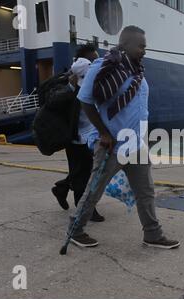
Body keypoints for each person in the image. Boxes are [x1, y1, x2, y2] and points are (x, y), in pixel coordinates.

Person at [66, 26, 180, 250]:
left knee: (145, 191)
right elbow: (85, 100)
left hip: (136, 145)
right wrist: (104, 132)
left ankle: (152, 234)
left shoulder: (137, 71)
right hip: (113, 144)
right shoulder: (103, 67)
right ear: (125, 45)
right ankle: (75, 230)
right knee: (94, 190)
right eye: (141, 46)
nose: (144, 50)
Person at [51, 44, 105, 222]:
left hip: (90, 136)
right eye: (92, 59)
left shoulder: (93, 79)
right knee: (84, 173)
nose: (95, 62)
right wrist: (70, 87)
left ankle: (62, 188)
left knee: (82, 171)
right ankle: (86, 211)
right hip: (74, 137)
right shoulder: (68, 80)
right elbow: (53, 101)